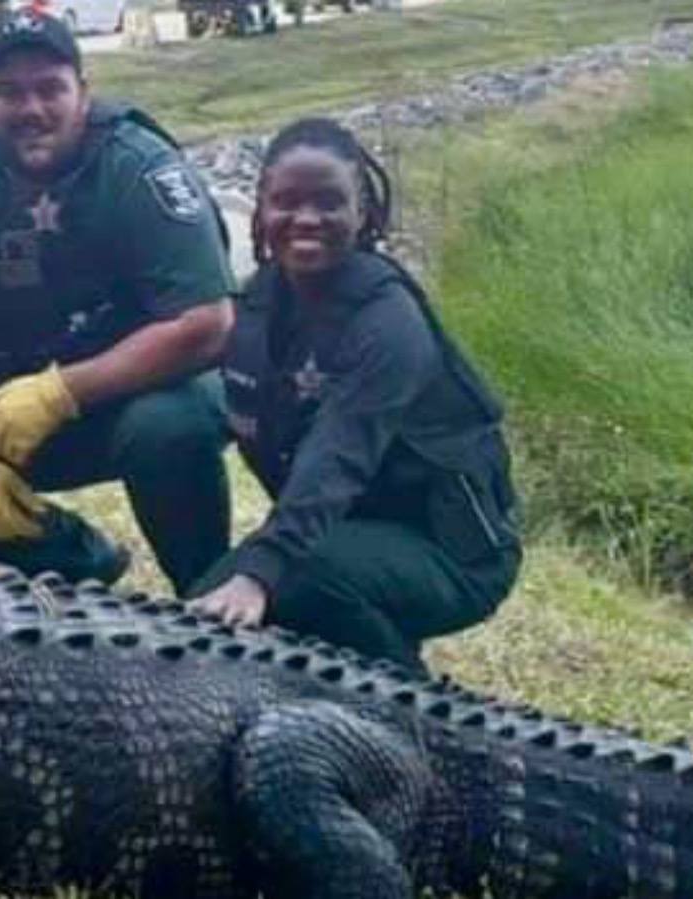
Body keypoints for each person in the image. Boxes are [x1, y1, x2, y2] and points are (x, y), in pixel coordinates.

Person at [0, 9, 235, 597]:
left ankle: (208, 593)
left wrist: (63, 392)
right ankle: (82, 563)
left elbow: (208, 323)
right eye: (9, 91)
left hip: (146, 391)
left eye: (50, 88)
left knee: (166, 428)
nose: (31, 109)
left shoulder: (136, 166)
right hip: (10, 407)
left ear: (83, 94)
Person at [190, 117, 521, 673]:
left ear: (362, 212)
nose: (306, 219)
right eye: (286, 202)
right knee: (210, 595)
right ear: (261, 209)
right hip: (348, 533)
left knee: (300, 579)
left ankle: (419, 714)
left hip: (453, 554)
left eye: (328, 203)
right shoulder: (264, 298)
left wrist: (261, 568)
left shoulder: (389, 321)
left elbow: (339, 453)